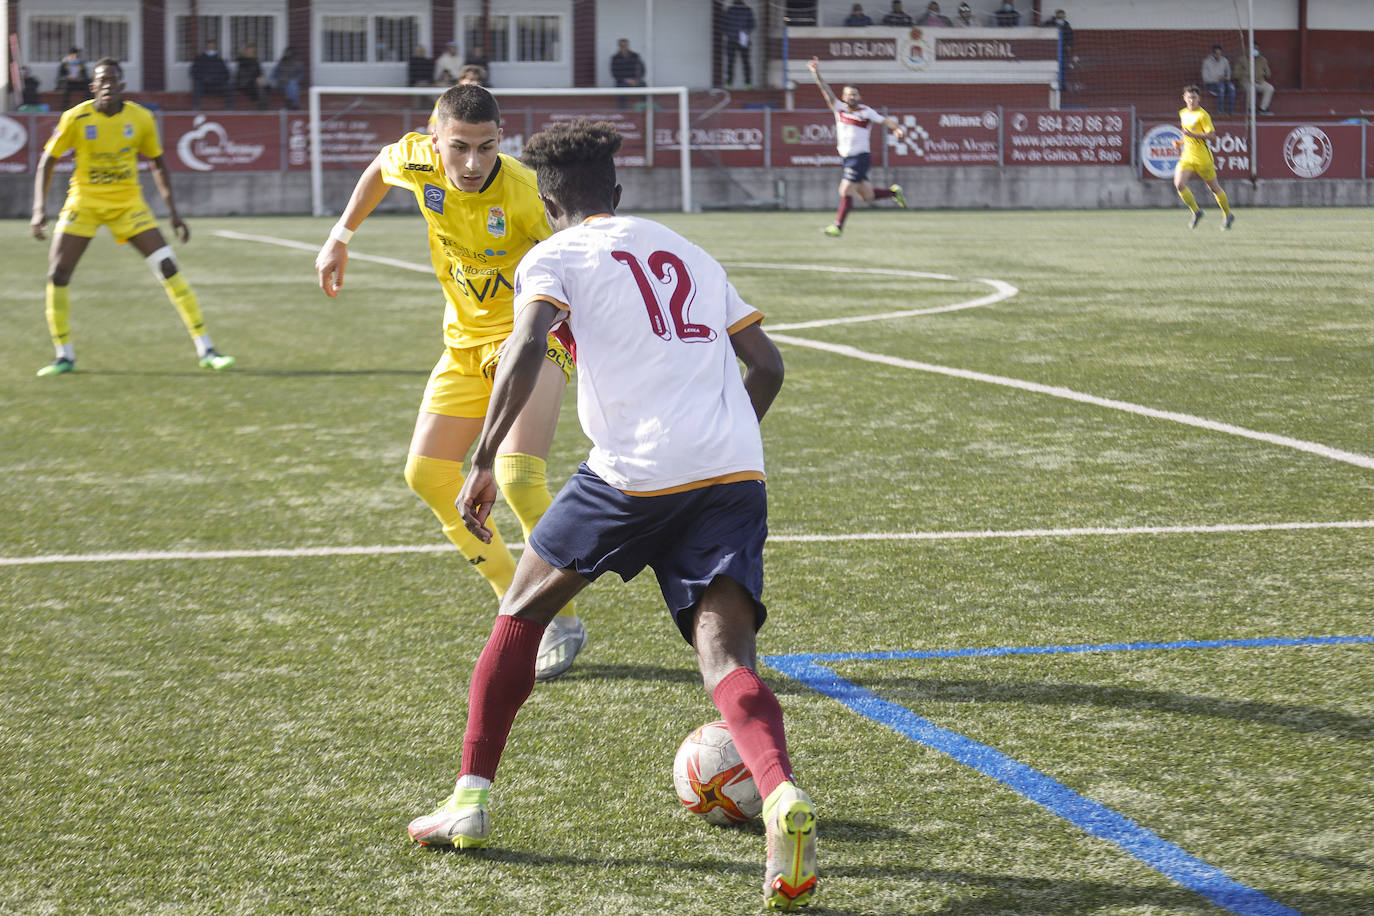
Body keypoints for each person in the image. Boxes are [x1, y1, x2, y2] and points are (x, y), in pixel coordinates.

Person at [404, 118, 815, 912]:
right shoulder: (687, 248)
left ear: (547, 198)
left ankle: (469, 801)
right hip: (731, 469)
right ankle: (780, 798)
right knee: (727, 657)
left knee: (520, 616)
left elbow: (527, 346)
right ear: (618, 191)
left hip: (629, 471)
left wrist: (485, 458)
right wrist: (719, 440)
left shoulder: (552, 254)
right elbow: (767, 363)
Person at [314, 84, 586, 681]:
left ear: (501, 139)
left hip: (531, 340)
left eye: (486, 148)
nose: (471, 163)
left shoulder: (523, 195)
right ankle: (513, 596)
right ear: (434, 140)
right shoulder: (415, 158)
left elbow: (578, 264)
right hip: (462, 345)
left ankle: (543, 611)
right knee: (427, 475)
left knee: (515, 477)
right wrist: (341, 236)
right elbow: (378, 170)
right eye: (458, 147)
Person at [30, 58, 235, 376]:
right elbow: (48, 160)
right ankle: (63, 355)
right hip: (84, 202)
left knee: (168, 266)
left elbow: (158, 163)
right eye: (102, 80)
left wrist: (174, 214)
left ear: (122, 85)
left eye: (114, 79)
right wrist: (39, 209)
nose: (108, 85)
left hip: (129, 204)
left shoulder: (141, 118)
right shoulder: (76, 117)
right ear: (93, 87)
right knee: (58, 273)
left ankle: (207, 348)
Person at [807, 57, 908, 238]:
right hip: (847, 159)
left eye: (854, 94)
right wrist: (816, 73)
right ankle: (894, 192)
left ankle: (838, 227)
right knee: (867, 196)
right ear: (844, 97)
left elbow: (885, 120)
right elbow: (825, 90)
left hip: (860, 157)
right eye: (848, 94)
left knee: (844, 190)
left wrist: (897, 129)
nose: (851, 97)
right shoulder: (838, 108)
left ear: (859, 97)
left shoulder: (865, 111)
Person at [1174, 85, 1234, 231]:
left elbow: (1212, 136)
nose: (1191, 100)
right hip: (1187, 156)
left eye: (1194, 97)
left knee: (1214, 188)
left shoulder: (1203, 115)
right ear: (1184, 98)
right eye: (1189, 97)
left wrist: (1193, 135)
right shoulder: (1183, 113)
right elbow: (1186, 132)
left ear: (1199, 98)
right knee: (1179, 184)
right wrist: (1180, 142)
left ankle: (1227, 214)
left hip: (1203, 157)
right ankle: (1196, 211)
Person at [722, 0, 756, 89]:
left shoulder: (747, 10)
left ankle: (748, 83)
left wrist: (744, 33)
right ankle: (729, 84)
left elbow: (752, 24)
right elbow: (724, 25)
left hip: (743, 40)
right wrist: (731, 34)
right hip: (732, 40)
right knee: (731, 62)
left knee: (745, 62)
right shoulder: (730, 10)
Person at [1233, 45, 1275, 115]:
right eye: (1253, 48)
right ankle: (1251, 109)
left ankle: (1263, 108)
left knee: (1269, 88)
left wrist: (1263, 72)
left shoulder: (1262, 60)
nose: (1255, 50)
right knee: (1251, 89)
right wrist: (1245, 73)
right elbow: (1235, 74)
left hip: (1259, 81)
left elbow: (1268, 74)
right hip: (1246, 82)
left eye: (1256, 49)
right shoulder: (1242, 60)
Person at [190, 40, 231, 110]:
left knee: (229, 87)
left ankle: (229, 108)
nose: (211, 49)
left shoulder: (219, 60)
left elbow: (226, 74)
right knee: (197, 85)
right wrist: (204, 78)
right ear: (205, 48)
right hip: (203, 85)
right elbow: (193, 72)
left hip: (217, 85)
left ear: (215, 48)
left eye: (213, 47)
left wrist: (218, 79)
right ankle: (195, 107)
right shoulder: (199, 59)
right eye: (209, 47)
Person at [1201, 45, 1234, 116]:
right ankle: (1220, 110)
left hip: (1223, 81)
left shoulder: (1225, 60)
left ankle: (1230, 111)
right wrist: (1217, 80)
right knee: (1221, 87)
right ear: (1213, 53)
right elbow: (1205, 78)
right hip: (1211, 84)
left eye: (1220, 53)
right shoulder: (1206, 62)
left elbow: (1229, 73)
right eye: (1217, 53)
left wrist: (1225, 78)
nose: (1218, 55)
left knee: (1231, 87)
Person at [234, 43, 266, 109]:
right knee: (256, 86)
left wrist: (260, 78)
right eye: (249, 51)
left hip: (254, 82)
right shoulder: (242, 61)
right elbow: (243, 74)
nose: (250, 53)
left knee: (264, 86)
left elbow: (259, 72)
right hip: (244, 82)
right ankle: (260, 103)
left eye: (252, 51)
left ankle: (261, 103)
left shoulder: (255, 62)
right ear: (245, 52)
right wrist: (256, 78)